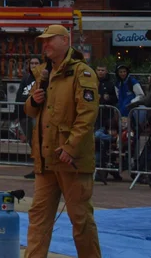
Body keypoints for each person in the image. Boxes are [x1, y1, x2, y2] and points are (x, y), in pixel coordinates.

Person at [23, 24, 100, 258]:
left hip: (71, 161)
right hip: (46, 161)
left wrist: (70, 147)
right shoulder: (43, 74)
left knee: (81, 220)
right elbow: (30, 111)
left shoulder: (81, 72)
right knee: (38, 218)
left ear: (65, 41)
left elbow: (87, 115)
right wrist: (34, 101)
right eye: (43, 41)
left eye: (50, 40)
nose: (45, 45)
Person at [94, 65, 122, 181]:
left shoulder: (111, 84)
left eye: (103, 70)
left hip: (107, 118)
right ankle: (98, 170)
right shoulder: (91, 82)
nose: (100, 72)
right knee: (96, 143)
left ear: (106, 71)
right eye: (99, 70)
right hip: (95, 117)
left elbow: (116, 98)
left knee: (107, 144)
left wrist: (108, 98)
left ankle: (108, 169)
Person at [16, 56, 41, 179]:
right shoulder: (25, 78)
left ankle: (38, 168)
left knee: (37, 142)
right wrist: (17, 115)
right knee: (31, 142)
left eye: (36, 63)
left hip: (37, 115)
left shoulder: (43, 78)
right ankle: (36, 166)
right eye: (32, 63)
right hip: (24, 115)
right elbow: (19, 95)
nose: (34, 65)